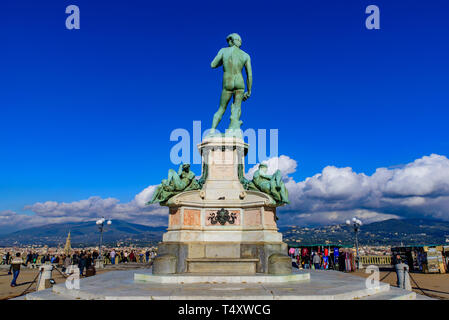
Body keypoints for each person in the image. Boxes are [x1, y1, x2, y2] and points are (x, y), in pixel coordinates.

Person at [210, 33, 252, 133]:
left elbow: (213, 64)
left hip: (227, 83)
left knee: (221, 108)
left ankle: (212, 131)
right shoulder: (245, 55)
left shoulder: (223, 51)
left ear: (232, 41)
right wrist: (249, 91)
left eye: (229, 41)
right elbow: (249, 75)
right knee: (237, 107)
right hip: (240, 82)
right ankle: (233, 129)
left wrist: (224, 61)